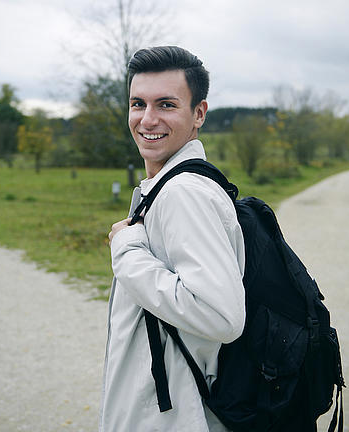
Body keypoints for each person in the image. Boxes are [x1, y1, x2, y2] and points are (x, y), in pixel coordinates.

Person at [100, 46, 246, 432]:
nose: (147, 119)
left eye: (166, 104)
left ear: (199, 113)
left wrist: (127, 247)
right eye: (137, 104)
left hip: (178, 418)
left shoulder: (184, 193)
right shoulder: (169, 186)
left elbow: (221, 317)